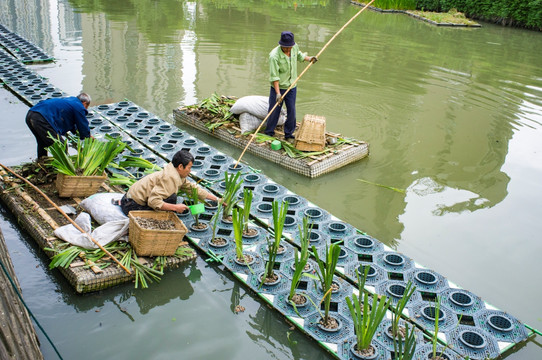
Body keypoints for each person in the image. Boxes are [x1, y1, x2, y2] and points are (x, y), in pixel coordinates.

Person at [119, 150, 219, 216]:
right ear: (180, 167)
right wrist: (175, 208)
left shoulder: (174, 172)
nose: (190, 171)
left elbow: (191, 188)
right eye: (189, 168)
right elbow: (153, 201)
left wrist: (216, 199)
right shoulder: (170, 178)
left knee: (171, 199)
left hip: (128, 199)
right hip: (132, 206)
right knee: (172, 199)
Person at [265, 31, 317, 143]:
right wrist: (278, 94)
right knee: (274, 110)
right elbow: (275, 77)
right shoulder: (274, 56)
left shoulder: (294, 47)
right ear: (281, 45)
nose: (288, 50)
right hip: (278, 88)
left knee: (292, 110)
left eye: (289, 47)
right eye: (285, 48)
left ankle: (288, 134)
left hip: (292, 86)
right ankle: (269, 132)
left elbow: (299, 55)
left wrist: (309, 59)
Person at [25, 93, 92, 158]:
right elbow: (83, 124)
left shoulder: (70, 101)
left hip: (31, 114)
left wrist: (76, 131)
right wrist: (87, 137)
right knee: (61, 146)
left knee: (42, 143)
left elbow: (71, 122)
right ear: (84, 103)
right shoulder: (79, 106)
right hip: (42, 117)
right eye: (87, 107)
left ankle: (41, 162)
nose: (85, 109)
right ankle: (63, 167)